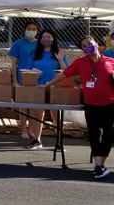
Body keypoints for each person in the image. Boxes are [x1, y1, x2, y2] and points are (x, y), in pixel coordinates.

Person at [43, 36, 114, 180]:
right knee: (95, 135)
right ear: (82, 50)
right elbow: (64, 74)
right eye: (84, 46)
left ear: (97, 44)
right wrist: (47, 85)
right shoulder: (80, 63)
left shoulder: (110, 61)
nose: (88, 47)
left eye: (90, 44)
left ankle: (100, 166)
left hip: (110, 105)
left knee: (108, 136)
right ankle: (99, 166)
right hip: (91, 105)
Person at [27, 29, 68, 150]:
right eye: (44, 37)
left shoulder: (59, 53)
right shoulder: (34, 54)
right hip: (39, 87)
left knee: (56, 115)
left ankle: (59, 141)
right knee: (38, 114)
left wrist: (60, 59)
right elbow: (28, 71)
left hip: (55, 87)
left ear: (53, 38)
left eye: (49, 36)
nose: (46, 39)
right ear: (40, 39)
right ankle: (36, 140)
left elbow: (67, 71)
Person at [10, 21, 39, 140]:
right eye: (29, 28)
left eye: (33, 29)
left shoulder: (40, 44)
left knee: (32, 105)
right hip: (21, 76)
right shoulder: (18, 43)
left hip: (36, 77)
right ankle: (23, 130)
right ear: (24, 30)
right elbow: (13, 63)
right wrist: (15, 80)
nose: (31, 31)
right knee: (22, 105)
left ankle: (31, 129)